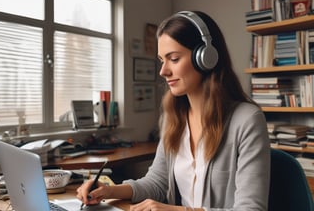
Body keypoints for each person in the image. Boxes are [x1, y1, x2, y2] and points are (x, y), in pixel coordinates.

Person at [76, 11, 271, 211]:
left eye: (174, 58)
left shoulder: (247, 120)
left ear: (206, 58)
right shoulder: (173, 118)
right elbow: (158, 182)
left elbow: (251, 209)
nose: (163, 71)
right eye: (162, 60)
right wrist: (109, 191)